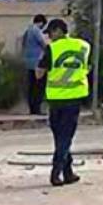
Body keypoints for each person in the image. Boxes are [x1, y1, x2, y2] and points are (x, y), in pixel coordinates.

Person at [35, 19, 89, 187]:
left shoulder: (52, 49)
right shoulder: (84, 46)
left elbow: (38, 74)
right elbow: (88, 67)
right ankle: (68, 172)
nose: (49, 37)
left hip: (56, 100)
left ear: (58, 31)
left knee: (61, 136)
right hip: (74, 98)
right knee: (64, 137)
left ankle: (55, 172)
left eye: (50, 33)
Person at [22, 14, 49, 115]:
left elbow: (23, 44)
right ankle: (37, 109)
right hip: (38, 63)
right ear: (41, 22)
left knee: (31, 87)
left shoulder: (27, 31)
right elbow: (44, 44)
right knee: (39, 87)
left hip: (28, 62)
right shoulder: (36, 31)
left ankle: (32, 109)